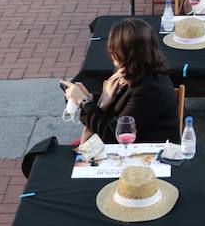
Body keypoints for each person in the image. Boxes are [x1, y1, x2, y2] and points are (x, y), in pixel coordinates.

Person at [63, 16, 178, 145]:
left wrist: (83, 102)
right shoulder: (132, 72)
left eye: (115, 50)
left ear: (130, 54)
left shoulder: (150, 88)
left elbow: (114, 134)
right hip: (125, 146)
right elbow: (121, 104)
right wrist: (89, 98)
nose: (111, 53)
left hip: (145, 153)